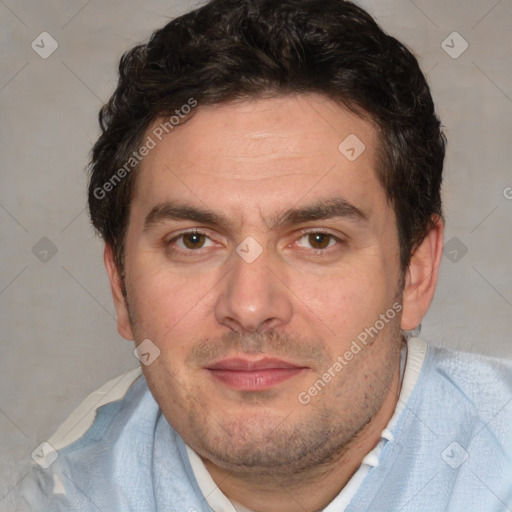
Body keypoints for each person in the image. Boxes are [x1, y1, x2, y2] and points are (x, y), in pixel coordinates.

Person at [19, 0, 512, 510]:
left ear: (416, 272)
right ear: (120, 286)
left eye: (318, 240)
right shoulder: (59, 494)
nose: (250, 307)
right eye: (193, 240)